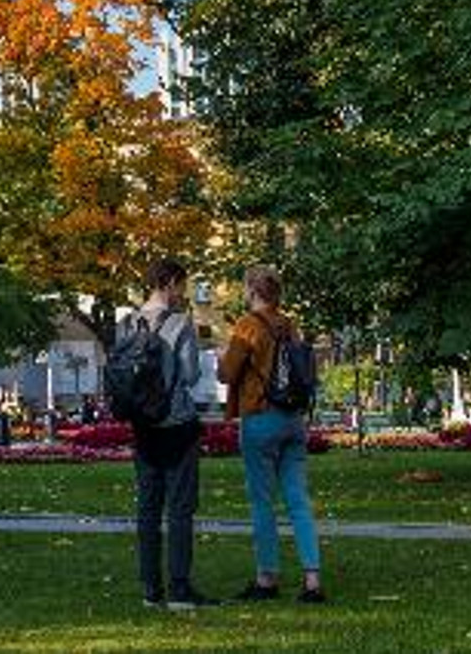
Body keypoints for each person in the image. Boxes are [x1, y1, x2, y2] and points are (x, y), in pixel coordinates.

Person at [219, 264, 325, 604]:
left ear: (251, 290)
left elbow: (226, 373)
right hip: (293, 419)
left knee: (262, 501)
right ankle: (312, 580)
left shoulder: (247, 326)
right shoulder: (289, 325)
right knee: (298, 500)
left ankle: (267, 577)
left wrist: (225, 356)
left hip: (260, 417)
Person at [127, 258, 218, 613]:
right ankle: (180, 589)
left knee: (148, 508)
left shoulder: (127, 323)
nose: (183, 292)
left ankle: (151, 589)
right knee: (180, 508)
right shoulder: (180, 323)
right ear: (169, 283)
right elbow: (192, 374)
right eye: (181, 285)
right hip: (177, 424)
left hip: (143, 426)